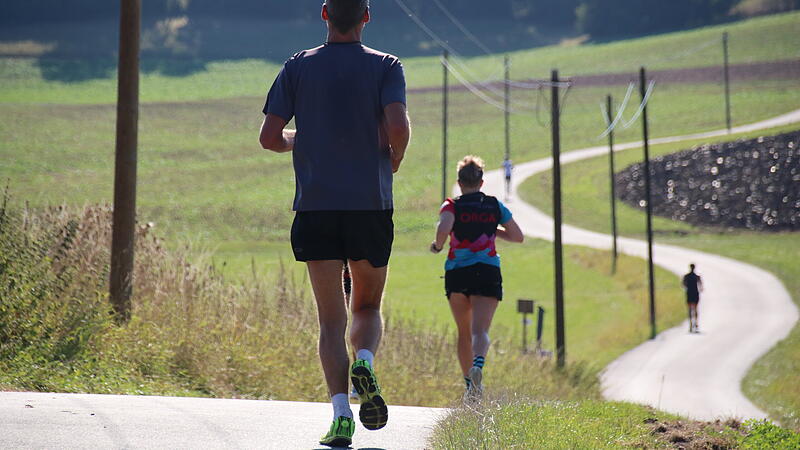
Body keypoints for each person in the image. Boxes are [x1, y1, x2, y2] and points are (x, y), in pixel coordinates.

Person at [259, 0, 410, 446]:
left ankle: (341, 416)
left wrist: (305, 139)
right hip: (370, 205)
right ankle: (364, 357)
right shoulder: (386, 66)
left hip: (316, 207)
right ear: (367, 17)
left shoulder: (297, 66)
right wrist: (394, 159)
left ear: (324, 14)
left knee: (330, 321)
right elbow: (397, 126)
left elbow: (269, 137)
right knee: (366, 307)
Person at [430, 156, 524, 399]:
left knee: (463, 331)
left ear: (459, 183)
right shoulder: (494, 206)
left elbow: (443, 228)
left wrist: (437, 245)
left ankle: (469, 387)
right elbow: (517, 236)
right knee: (479, 330)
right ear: (481, 182)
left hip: (458, 273)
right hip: (488, 272)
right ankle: (478, 366)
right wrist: (493, 230)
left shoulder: (452, 204)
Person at [682, 263, 704, 333]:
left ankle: (691, 324)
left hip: (689, 293)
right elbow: (700, 285)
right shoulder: (697, 276)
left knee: (690, 309)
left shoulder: (686, 276)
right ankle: (696, 323)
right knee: (695, 309)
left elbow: (683, 284)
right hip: (695, 293)